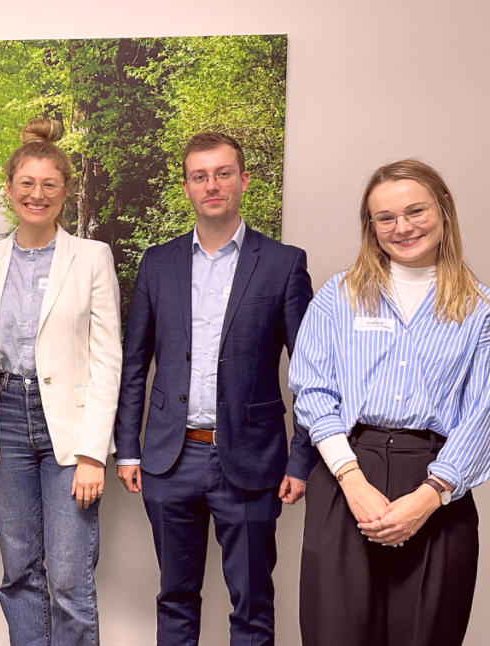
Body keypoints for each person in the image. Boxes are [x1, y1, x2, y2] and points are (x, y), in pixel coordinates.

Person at [113, 132, 318, 646]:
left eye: (223, 173)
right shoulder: (158, 263)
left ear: (243, 181)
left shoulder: (283, 263)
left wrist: (301, 460)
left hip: (250, 461)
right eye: (200, 176)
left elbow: (311, 371)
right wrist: (128, 450)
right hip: (169, 458)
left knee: (251, 604)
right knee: (174, 598)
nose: (212, 185)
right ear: (186, 187)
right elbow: (134, 364)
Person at [289, 159, 490, 646]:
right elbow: (314, 391)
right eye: (385, 217)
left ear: (443, 209)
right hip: (345, 476)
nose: (402, 227)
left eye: (415, 210)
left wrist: (428, 497)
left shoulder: (479, 310)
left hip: (438, 486)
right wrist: (353, 483)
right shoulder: (337, 297)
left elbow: (484, 413)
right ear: (371, 226)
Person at [0, 118, 122, 646]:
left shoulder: (91, 257)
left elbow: (107, 358)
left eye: (50, 184)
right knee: (20, 571)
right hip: (2, 420)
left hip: (69, 431)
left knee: (70, 578)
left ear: (65, 192)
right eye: (26, 183)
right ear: (9, 188)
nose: (37, 194)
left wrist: (94, 453)